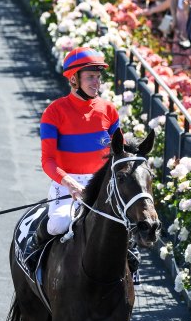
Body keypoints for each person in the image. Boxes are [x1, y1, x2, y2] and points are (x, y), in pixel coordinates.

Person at [31, 48, 129, 266]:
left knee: (126, 223)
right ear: (74, 79)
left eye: (98, 77)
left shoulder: (109, 110)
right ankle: (34, 257)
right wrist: (69, 183)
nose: (97, 83)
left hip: (101, 184)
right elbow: (47, 160)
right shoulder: (53, 112)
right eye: (90, 77)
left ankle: (130, 268)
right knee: (59, 224)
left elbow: (120, 150)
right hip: (67, 184)